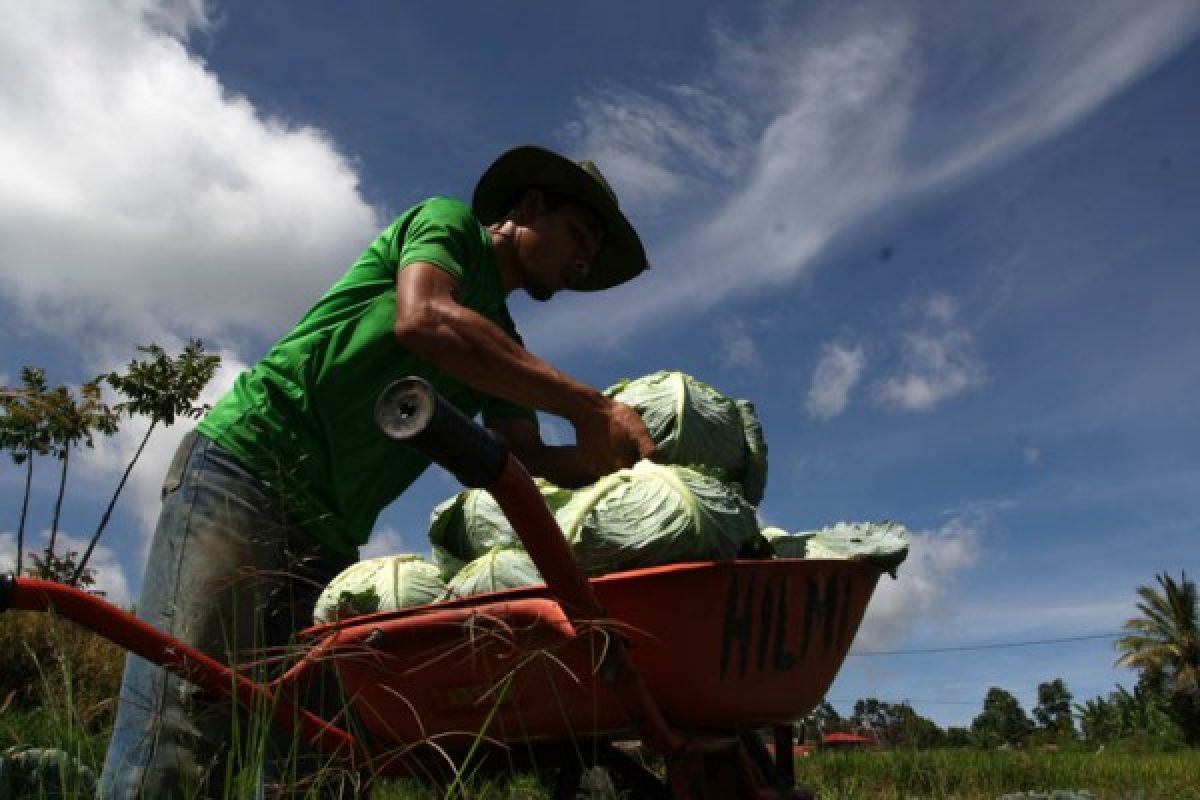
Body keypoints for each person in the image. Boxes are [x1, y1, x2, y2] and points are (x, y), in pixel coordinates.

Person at [100, 145, 658, 798]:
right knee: (187, 716)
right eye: (578, 235)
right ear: (530, 207)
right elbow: (422, 318)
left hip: (329, 537)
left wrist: (616, 471)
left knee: (322, 752)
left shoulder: (502, 343)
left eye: (589, 254)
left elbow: (528, 460)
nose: (581, 260)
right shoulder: (447, 225)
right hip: (246, 471)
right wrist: (592, 405)